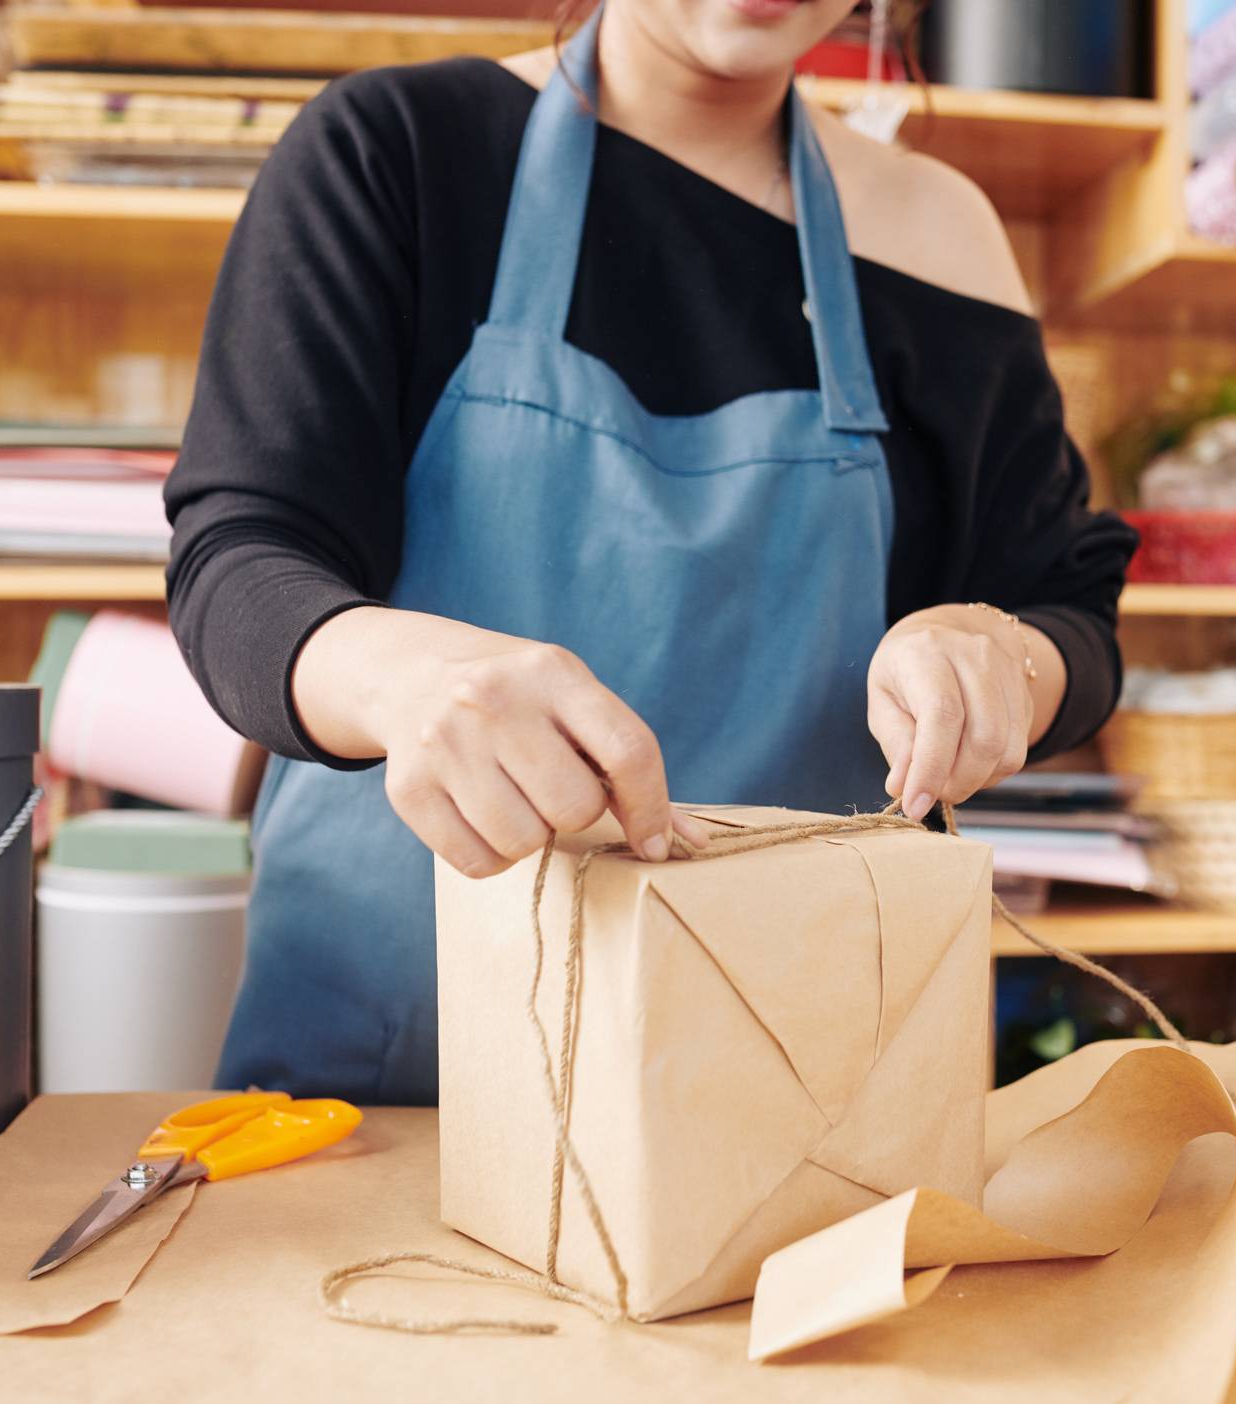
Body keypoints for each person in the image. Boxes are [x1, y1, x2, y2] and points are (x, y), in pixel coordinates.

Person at [164, 0, 1136, 1104]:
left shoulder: (937, 238)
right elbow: (238, 564)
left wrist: (997, 653)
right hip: (392, 1091)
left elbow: (1067, 614)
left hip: (797, 1101)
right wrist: (402, 678)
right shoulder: (397, 149)